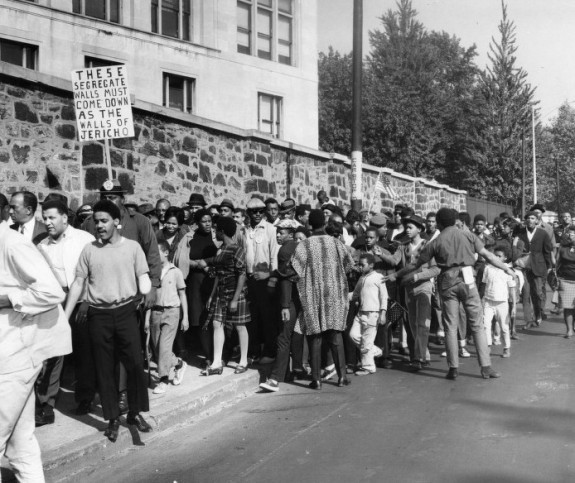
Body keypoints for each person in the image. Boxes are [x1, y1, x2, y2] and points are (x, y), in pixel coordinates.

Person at [65, 200, 152, 443]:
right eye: (96, 221)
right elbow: (78, 284)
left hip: (125, 312)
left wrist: (145, 286)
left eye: (104, 221)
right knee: (104, 367)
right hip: (98, 315)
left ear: (117, 222)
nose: (99, 226)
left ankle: (134, 413)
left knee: (135, 364)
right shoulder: (89, 250)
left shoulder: (133, 248)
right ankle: (113, 418)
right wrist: (65, 316)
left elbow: (143, 276)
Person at [0, 217, 71, 482]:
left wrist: (7, 299)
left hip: (13, 357)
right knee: (21, 445)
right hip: (9, 356)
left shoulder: (12, 243)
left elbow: (52, 292)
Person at [415, 207, 515, 380]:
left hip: (447, 280)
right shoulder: (468, 235)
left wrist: (400, 275)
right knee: (477, 324)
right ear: (455, 221)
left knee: (450, 326)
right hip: (467, 279)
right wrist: (507, 269)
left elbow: (417, 262)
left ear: (439, 223)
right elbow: (488, 256)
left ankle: (453, 368)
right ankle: (485, 367)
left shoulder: (436, 241)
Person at [36, 199, 96, 421]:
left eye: (52, 218)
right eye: (45, 218)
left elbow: (93, 274)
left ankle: (85, 397)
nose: (48, 223)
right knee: (52, 354)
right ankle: (46, 405)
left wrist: (88, 302)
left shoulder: (84, 239)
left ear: (64, 217)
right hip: (55, 303)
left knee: (84, 353)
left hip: (83, 302)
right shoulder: (42, 246)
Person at [290, 209, 354, 389]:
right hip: (334, 295)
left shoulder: (304, 245)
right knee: (335, 335)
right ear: (325, 224)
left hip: (312, 294)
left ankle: (316, 379)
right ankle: (342, 377)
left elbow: (295, 268)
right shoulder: (335, 243)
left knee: (315, 336)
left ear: (309, 224)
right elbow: (349, 265)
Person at [196, 217, 250, 375]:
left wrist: (234, 299)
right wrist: (213, 295)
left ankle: (244, 361)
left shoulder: (237, 249)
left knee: (240, 326)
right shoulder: (220, 250)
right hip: (221, 293)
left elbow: (242, 275)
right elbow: (218, 275)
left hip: (235, 294)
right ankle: (216, 362)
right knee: (216, 324)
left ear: (223, 231)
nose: (215, 232)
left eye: (216, 229)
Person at [259, 221, 306, 393]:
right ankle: (290, 371)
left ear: (291, 233)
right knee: (293, 336)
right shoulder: (298, 246)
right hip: (300, 298)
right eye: (277, 232)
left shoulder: (285, 250)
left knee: (283, 338)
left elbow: (286, 278)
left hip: (290, 300)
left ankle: (274, 379)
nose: (278, 235)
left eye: (282, 232)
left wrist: (285, 305)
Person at [173, 209, 218, 362]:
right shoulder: (188, 237)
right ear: (197, 223)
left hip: (214, 281)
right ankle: (208, 356)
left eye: (209, 221)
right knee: (200, 318)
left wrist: (208, 264)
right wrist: (198, 264)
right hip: (195, 283)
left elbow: (223, 254)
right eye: (204, 221)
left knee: (215, 319)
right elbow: (181, 259)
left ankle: (218, 354)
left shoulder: (216, 236)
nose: (207, 224)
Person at [149, 240, 189, 394]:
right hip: (155, 312)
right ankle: (179, 364)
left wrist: (185, 317)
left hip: (172, 312)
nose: (153, 255)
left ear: (166, 253)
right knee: (158, 349)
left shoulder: (175, 271)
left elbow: (182, 294)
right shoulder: (152, 272)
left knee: (165, 347)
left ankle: (163, 380)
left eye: (156, 252)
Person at [244, 197, 279, 363]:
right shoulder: (244, 230)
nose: (257, 214)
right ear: (248, 213)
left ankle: (270, 352)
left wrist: (270, 276)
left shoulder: (270, 229)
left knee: (267, 317)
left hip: (265, 278)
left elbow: (275, 256)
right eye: (253, 211)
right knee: (253, 317)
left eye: (260, 211)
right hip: (250, 278)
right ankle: (254, 351)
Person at [349, 253, 387, 376]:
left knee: (366, 340)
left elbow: (384, 296)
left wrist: (383, 313)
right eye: (359, 264)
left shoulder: (379, 277)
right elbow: (355, 294)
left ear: (371, 265)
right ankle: (374, 350)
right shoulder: (362, 278)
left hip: (373, 314)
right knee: (353, 335)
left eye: (362, 264)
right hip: (361, 313)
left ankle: (368, 367)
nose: (360, 267)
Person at [515, 211, 553, 328]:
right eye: (528, 218)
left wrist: (549, 266)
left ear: (537, 220)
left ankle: (538, 315)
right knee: (526, 294)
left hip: (538, 266)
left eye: (532, 218)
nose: (530, 220)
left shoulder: (543, 233)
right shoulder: (519, 233)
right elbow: (515, 249)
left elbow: (547, 251)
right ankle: (528, 320)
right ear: (525, 220)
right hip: (523, 267)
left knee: (537, 292)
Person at [482, 246, 517, 358]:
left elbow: (512, 289)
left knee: (504, 326)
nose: (496, 258)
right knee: (486, 325)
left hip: (502, 302)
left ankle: (507, 347)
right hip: (488, 301)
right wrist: (482, 300)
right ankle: (487, 346)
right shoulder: (487, 268)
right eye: (495, 255)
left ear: (505, 258)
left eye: (499, 256)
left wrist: (514, 306)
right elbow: (484, 284)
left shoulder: (508, 270)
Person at [556, 225, 575, 338]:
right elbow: (557, 263)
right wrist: (557, 278)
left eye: (573, 234)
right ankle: (569, 330)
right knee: (567, 307)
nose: (570, 236)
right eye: (569, 234)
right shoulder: (563, 248)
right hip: (566, 280)